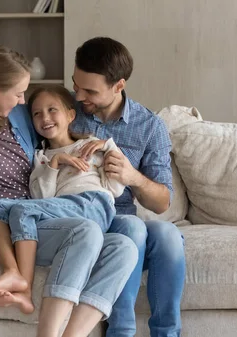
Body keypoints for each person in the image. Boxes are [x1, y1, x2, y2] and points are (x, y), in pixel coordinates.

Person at [0, 45, 138, 337]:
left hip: (31, 219)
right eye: (18, 94)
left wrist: (101, 145)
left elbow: (60, 119)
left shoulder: (18, 117)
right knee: (86, 232)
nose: (22, 101)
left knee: (124, 248)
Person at [0, 84, 126, 315]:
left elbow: (115, 188)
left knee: (22, 211)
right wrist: (55, 163)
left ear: (71, 114)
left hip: (95, 205)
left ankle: (20, 280)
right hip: (68, 215)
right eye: (37, 113)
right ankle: (23, 293)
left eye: (52, 110)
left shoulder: (90, 146)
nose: (45, 118)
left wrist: (109, 147)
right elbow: (43, 198)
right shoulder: (41, 158)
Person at [69, 37, 187, 337]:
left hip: (119, 218)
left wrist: (132, 176)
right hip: (80, 218)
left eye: (90, 91)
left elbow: (161, 203)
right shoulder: (64, 111)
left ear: (118, 85)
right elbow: (15, 111)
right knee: (134, 228)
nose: (79, 95)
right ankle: (120, 331)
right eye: (76, 84)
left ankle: (167, 333)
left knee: (168, 234)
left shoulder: (149, 126)